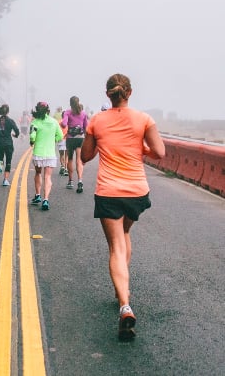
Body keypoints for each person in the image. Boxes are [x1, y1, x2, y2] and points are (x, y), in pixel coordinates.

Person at [80, 73, 165, 341]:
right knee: (125, 234)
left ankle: (124, 304)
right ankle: (122, 292)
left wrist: (100, 143)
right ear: (129, 92)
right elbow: (159, 152)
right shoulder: (144, 119)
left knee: (115, 246)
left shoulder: (97, 121)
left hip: (109, 191)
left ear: (108, 95)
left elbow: (85, 156)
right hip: (136, 191)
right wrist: (140, 148)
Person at [29, 101, 63, 210]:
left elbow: (32, 136)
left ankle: (38, 195)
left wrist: (32, 142)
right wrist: (53, 140)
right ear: (48, 110)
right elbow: (60, 135)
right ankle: (46, 200)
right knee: (48, 176)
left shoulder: (35, 122)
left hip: (38, 153)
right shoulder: (54, 122)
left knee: (38, 173)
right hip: (50, 154)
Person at [61, 96, 89, 193]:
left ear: (70, 103)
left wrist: (63, 123)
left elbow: (64, 124)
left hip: (70, 138)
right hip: (80, 138)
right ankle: (80, 180)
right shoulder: (83, 114)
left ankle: (70, 181)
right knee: (78, 160)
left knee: (70, 159)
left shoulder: (67, 112)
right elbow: (86, 127)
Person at [0, 103, 20, 186]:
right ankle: (5, 180)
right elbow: (17, 131)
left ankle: (0, 165)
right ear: (8, 111)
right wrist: (15, 135)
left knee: (0, 159)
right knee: (8, 161)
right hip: (8, 143)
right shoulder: (11, 121)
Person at [52, 106, 68, 176]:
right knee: (67, 155)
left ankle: (62, 166)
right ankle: (66, 169)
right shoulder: (69, 122)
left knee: (61, 154)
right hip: (67, 139)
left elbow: (56, 131)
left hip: (61, 139)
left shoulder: (58, 122)